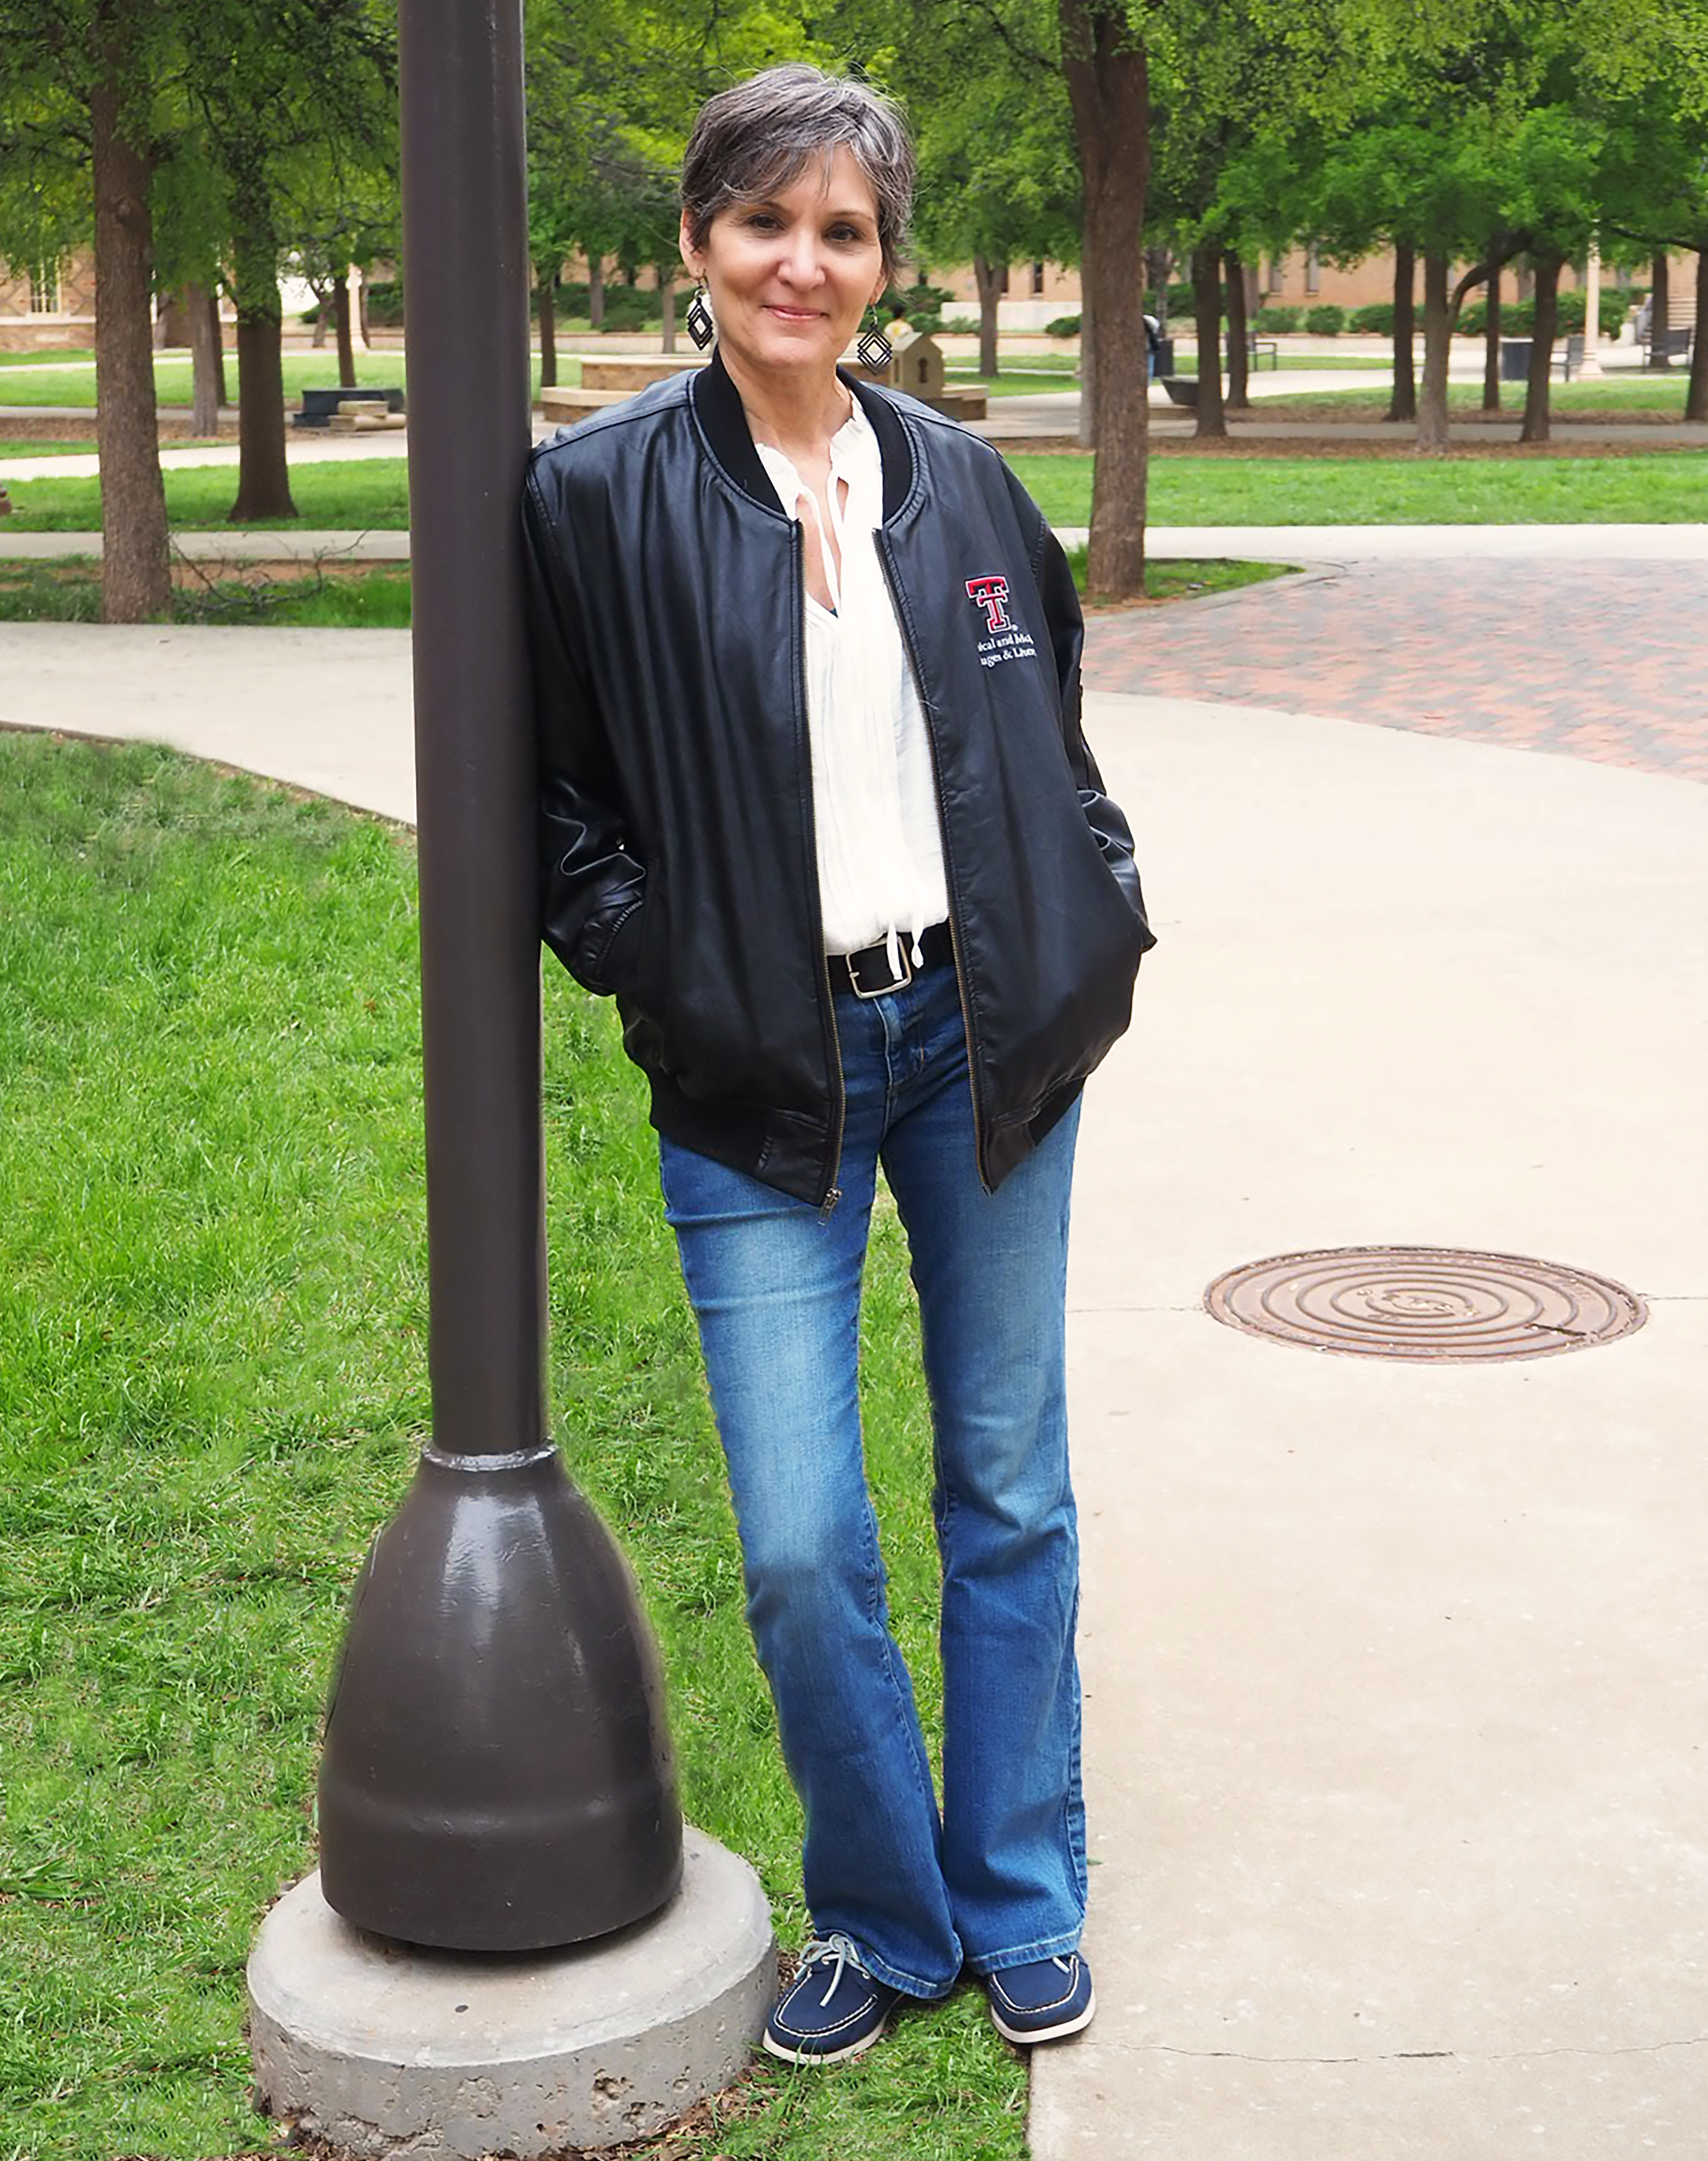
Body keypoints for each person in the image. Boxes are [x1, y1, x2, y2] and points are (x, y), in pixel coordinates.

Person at [521, 62, 1154, 2066]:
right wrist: (668, 970)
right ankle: (887, 1915)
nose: (803, 261)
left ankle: (1021, 1885)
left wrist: (1096, 913)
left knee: (1007, 1485)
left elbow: (1051, 736)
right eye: (763, 221)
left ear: (886, 266)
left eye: (844, 230)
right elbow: (552, 808)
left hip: (980, 1046)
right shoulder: (596, 495)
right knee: (800, 1540)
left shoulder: (959, 482)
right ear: (696, 245)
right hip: (757, 1078)